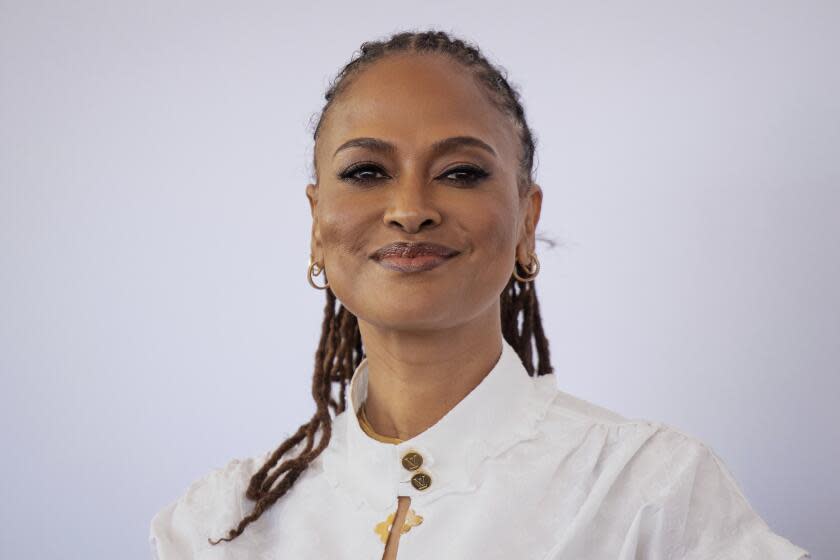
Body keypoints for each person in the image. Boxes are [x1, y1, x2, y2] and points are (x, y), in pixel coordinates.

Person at [148, 29, 810, 559]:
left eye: (461, 172)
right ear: (317, 226)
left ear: (527, 220)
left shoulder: (648, 490)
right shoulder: (220, 525)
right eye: (367, 171)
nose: (410, 209)